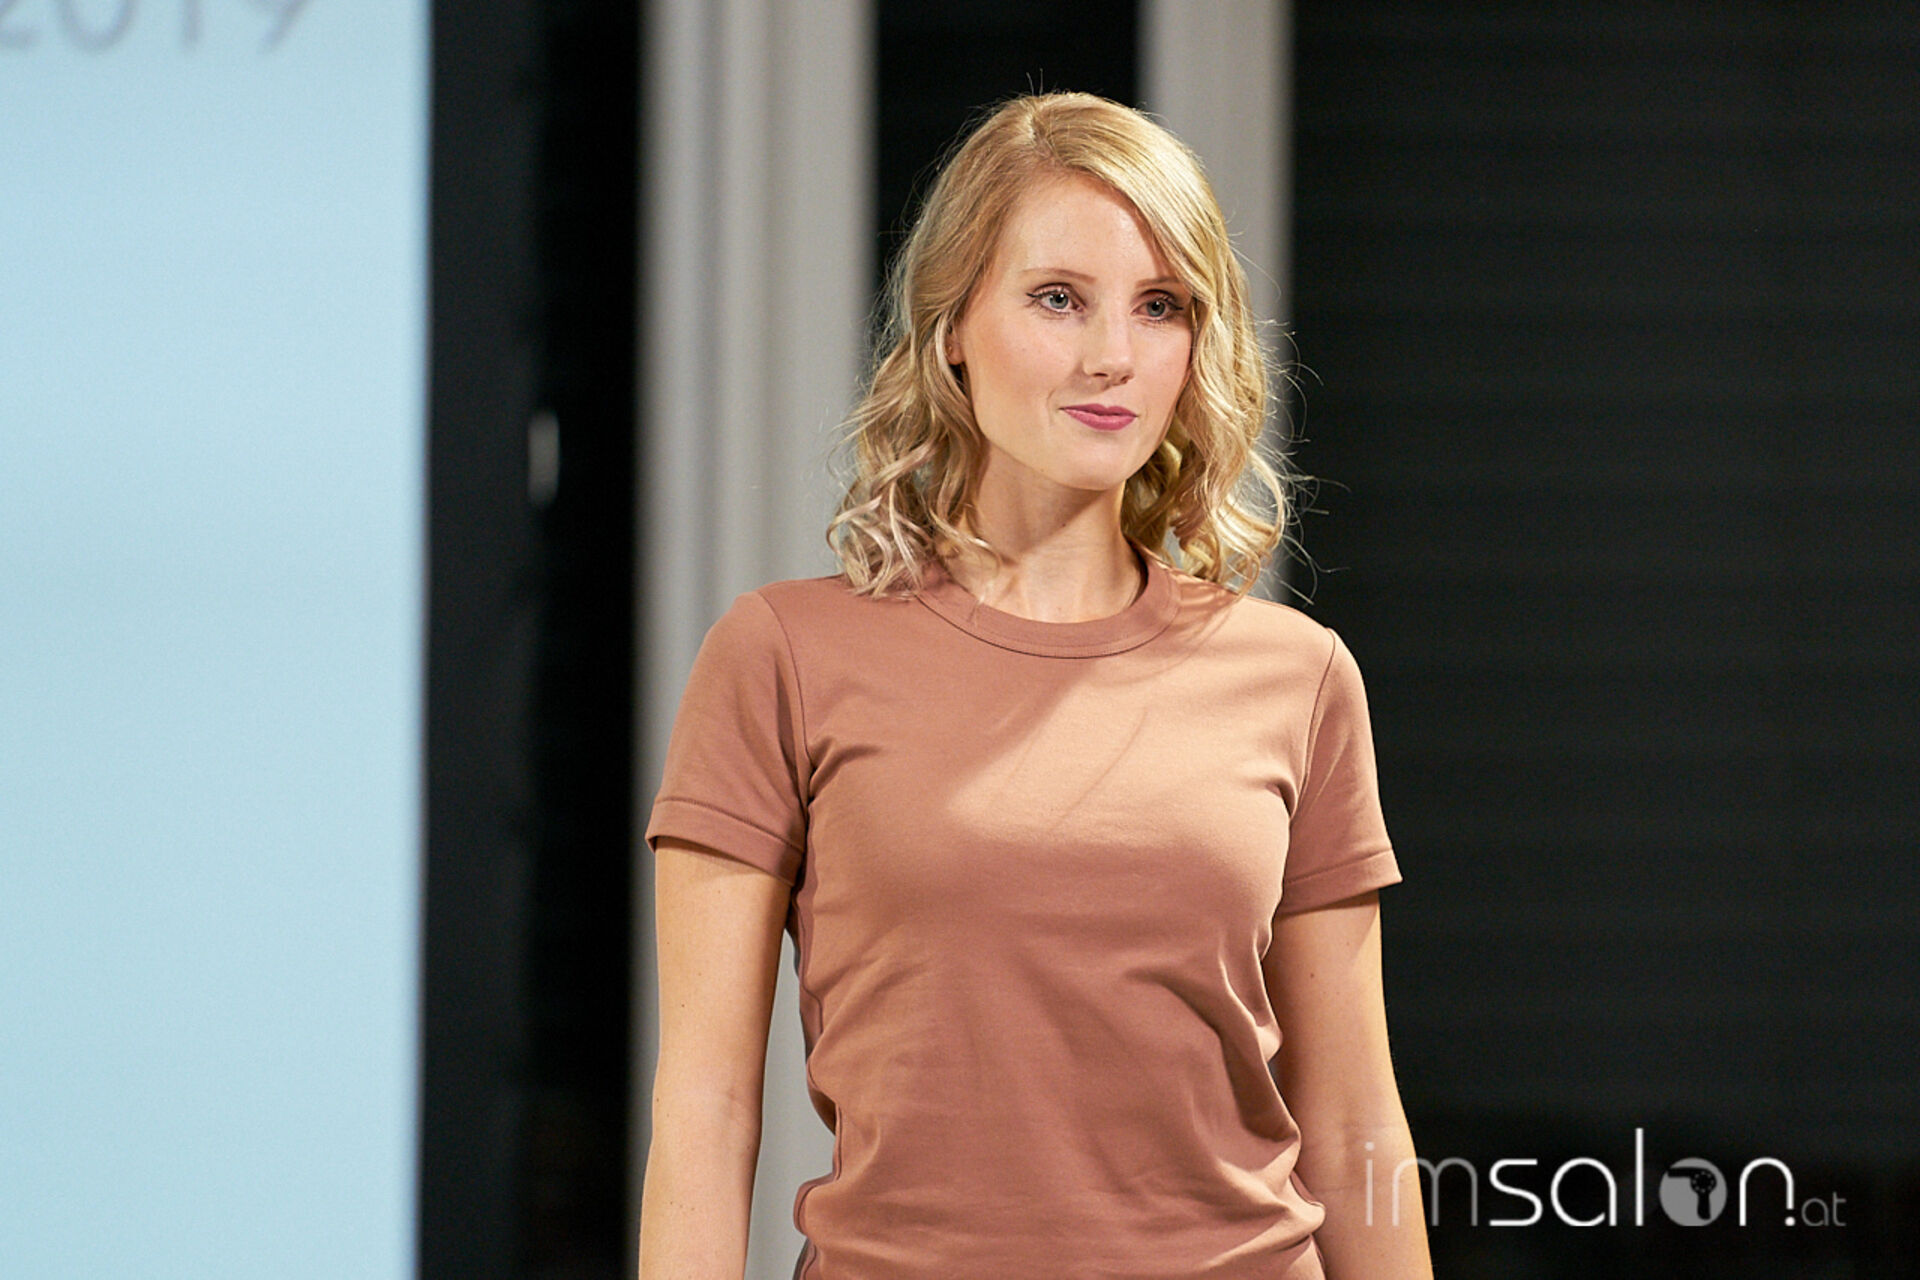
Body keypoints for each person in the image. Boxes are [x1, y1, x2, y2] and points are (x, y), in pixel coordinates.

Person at [639, 91, 1431, 1279]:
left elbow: (1356, 1114)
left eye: (1160, 306)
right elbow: (705, 1111)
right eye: (1059, 297)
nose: (1113, 354)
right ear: (952, 324)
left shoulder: (1297, 677)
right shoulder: (782, 655)